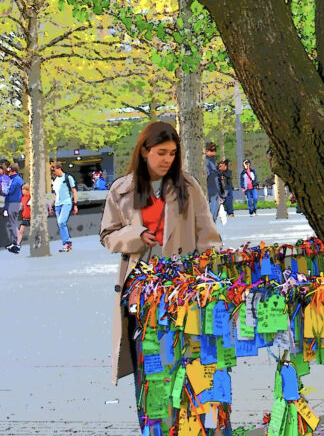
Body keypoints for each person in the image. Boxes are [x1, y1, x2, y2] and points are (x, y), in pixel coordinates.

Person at [99, 121, 224, 432]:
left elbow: (209, 238)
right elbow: (107, 236)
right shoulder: (121, 190)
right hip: (140, 298)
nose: (168, 159)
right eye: (161, 152)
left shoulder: (188, 187)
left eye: (172, 153)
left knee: (190, 369)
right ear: (145, 151)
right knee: (151, 373)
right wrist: (135, 235)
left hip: (182, 294)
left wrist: (207, 281)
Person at [51, 162, 78, 252]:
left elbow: (74, 191)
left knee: (61, 222)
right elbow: (55, 194)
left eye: (54, 170)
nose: (53, 173)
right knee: (60, 224)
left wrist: (75, 204)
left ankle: (68, 242)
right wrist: (51, 205)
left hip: (66, 202)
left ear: (59, 168)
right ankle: (66, 244)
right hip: (57, 205)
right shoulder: (55, 181)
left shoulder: (68, 177)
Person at [3, 163, 25, 253]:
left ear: (14, 171)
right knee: (12, 223)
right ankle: (15, 242)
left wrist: (4, 189)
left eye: (10, 171)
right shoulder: (17, 179)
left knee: (12, 223)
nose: (9, 173)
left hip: (14, 203)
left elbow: (9, 191)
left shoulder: (16, 180)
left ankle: (17, 242)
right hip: (14, 203)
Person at [10, 184, 31, 253]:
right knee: (21, 231)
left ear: (28, 190)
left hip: (31, 216)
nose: (22, 191)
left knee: (32, 231)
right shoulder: (22, 198)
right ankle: (18, 244)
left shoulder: (31, 197)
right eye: (22, 189)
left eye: (24, 190)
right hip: (25, 216)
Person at [205, 142, 221, 220]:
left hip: (214, 188)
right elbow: (206, 174)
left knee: (214, 212)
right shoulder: (206, 161)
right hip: (210, 188)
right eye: (212, 150)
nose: (214, 151)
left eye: (215, 150)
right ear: (206, 151)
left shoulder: (212, 160)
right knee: (212, 213)